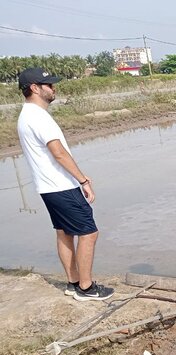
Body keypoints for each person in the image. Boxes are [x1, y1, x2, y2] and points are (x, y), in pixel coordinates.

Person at [16, 67, 114, 301]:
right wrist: (83, 179)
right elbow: (58, 153)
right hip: (61, 186)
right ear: (34, 88)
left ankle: (73, 282)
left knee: (64, 233)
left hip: (48, 187)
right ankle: (86, 287)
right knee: (89, 233)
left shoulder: (27, 116)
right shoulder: (37, 117)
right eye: (48, 85)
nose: (53, 88)